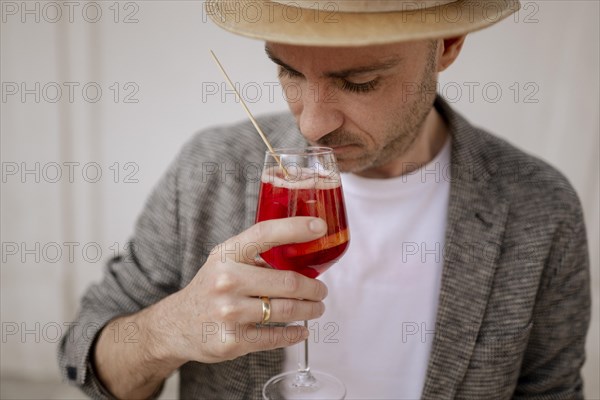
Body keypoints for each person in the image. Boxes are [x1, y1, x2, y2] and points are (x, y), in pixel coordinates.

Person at [58, 0, 591, 398]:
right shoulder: (208, 171)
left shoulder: (539, 209)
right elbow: (82, 353)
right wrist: (167, 330)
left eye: (358, 82)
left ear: (448, 44)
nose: (312, 124)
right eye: (289, 71)